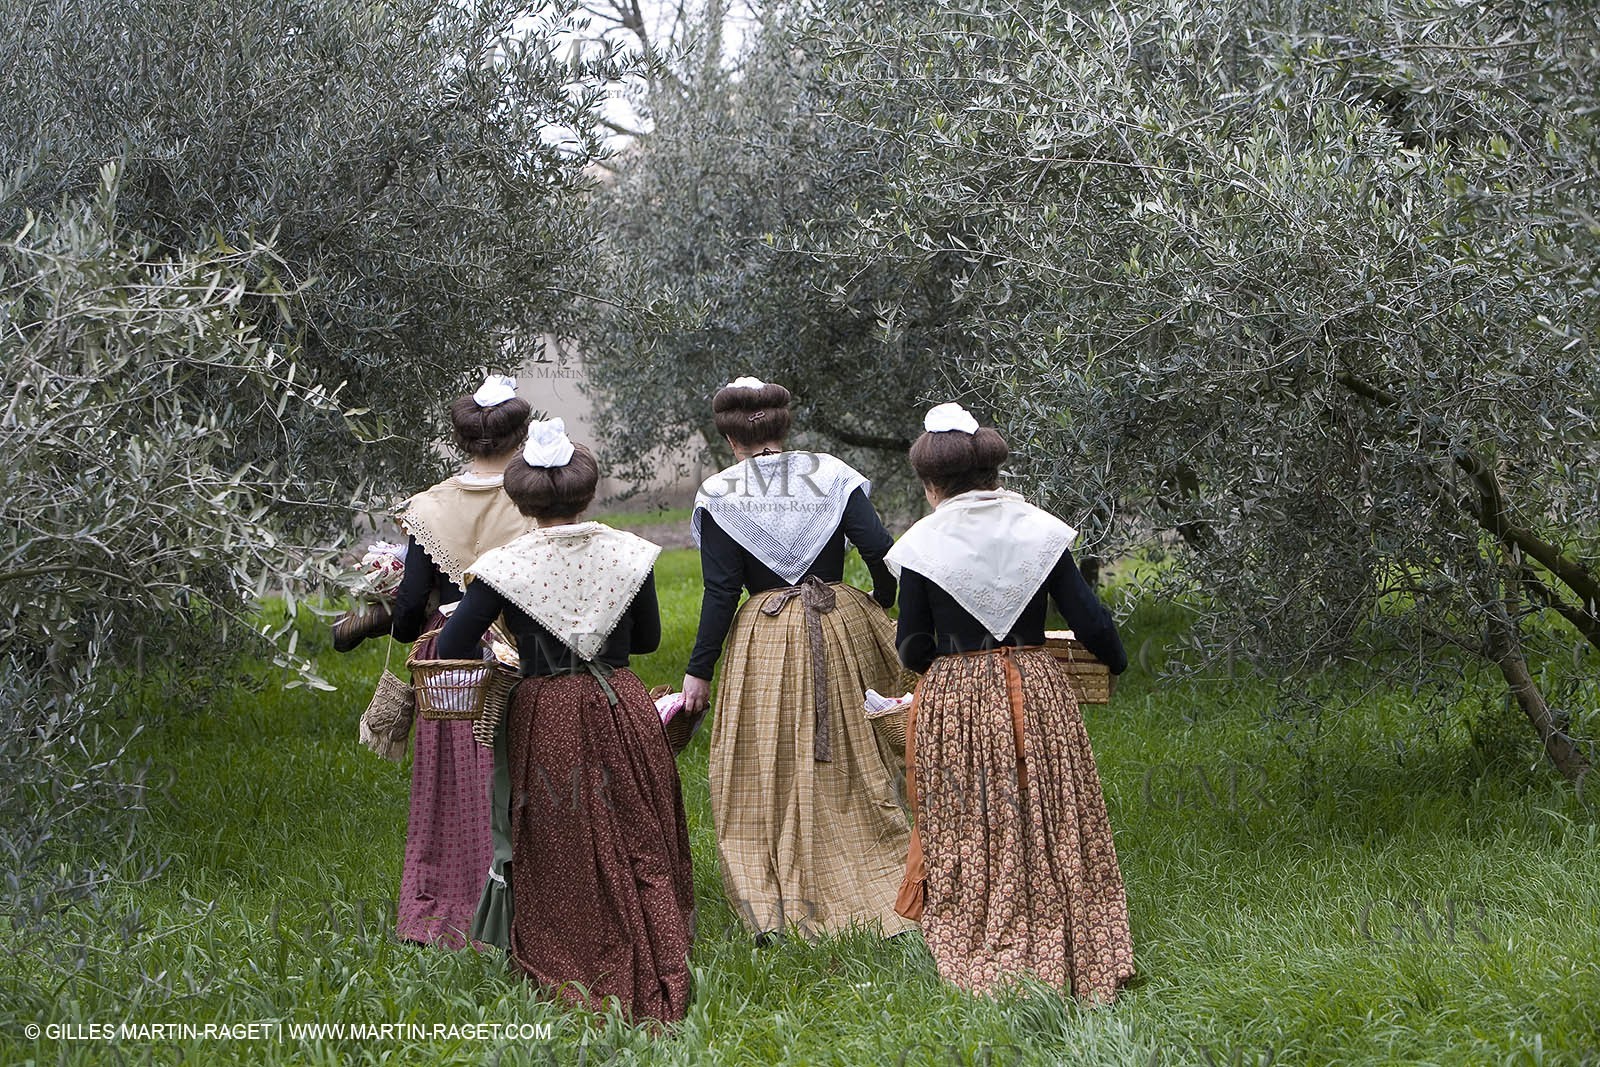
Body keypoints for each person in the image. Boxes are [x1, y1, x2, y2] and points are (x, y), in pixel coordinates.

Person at [435, 418, 695, 1023]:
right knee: (636, 822)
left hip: (544, 710)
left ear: (522, 497)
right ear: (585, 492)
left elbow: (452, 642)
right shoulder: (630, 554)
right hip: (620, 702)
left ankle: (571, 939)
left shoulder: (504, 567)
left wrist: (508, 646)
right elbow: (649, 638)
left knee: (557, 827)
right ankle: (657, 933)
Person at [889, 402, 1133, 1002]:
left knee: (972, 815)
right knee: (1050, 809)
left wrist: (947, 666)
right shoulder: (1040, 530)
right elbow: (1091, 621)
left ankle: (984, 926)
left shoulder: (923, 544)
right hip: (1039, 689)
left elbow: (913, 645)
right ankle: (1065, 924)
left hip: (959, 698)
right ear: (993, 473)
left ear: (931, 484)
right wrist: (1118, 662)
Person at [680, 376, 913, 942]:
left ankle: (781, 889)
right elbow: (881, 549)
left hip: (765, 636)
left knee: (770, 755)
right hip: (837, 618)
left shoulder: (719, 493)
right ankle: (874, 866)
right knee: (858, 747)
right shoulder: (830, 474)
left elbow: (720, 592)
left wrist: (699, 669)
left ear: (729, 436)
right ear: (785, 427)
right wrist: (880, 599)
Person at [389, 374, 534, 949]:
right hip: (518, 655)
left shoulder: (427, 509)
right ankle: (521, 905)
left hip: (448, 662)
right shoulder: (534, 499)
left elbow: (404, 619)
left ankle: (447, 904)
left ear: (460, 439)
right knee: (517, 774)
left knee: (451, 787)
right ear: (520, 434)